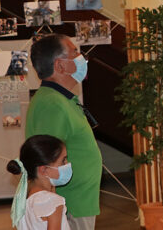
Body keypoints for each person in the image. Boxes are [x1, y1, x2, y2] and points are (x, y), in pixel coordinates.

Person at [26, 34, 101, 230]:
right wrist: (54, 211)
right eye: (75, 52)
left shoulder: (62, 99)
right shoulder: (51, 104)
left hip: (78, 203)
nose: (81, 57)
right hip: (69, 207)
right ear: (60, 66)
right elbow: (46, 165)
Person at [7, 134, 72, 230]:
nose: (67, 164)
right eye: (63, 160)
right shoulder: (52, 202)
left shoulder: (23, 202)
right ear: (44, 170)